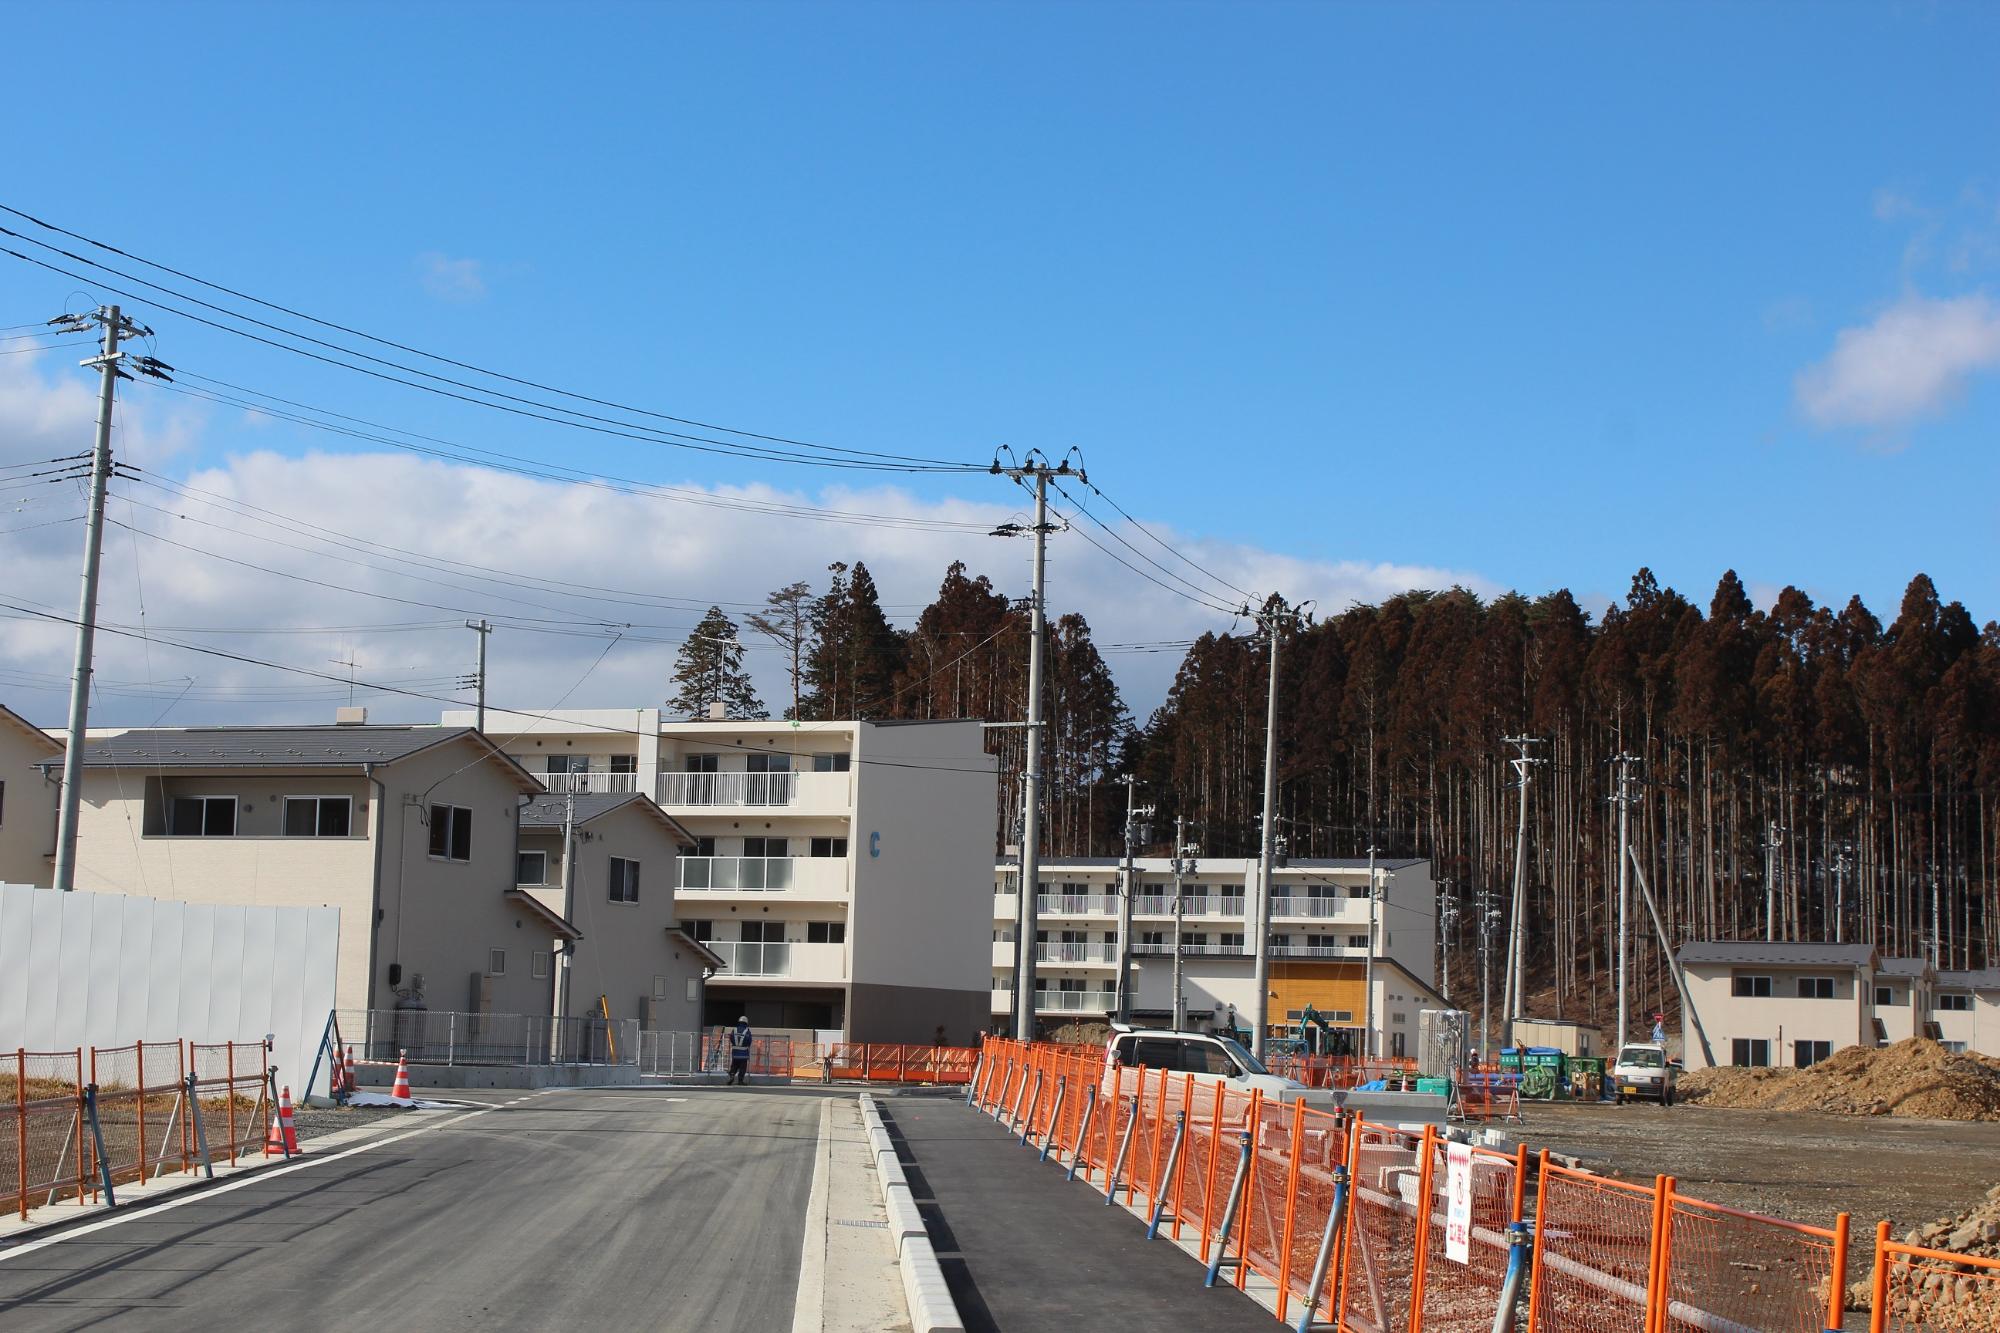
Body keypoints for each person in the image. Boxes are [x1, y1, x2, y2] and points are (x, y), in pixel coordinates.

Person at [727, 1016, 753, 1085]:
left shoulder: (734, 1030)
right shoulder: (747, 1031)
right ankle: (740, 1081)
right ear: (746, 1022)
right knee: (742, 1068)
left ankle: (732, 1075)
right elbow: (749, 1041)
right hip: (744, 1053)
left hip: (735, 1052)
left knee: (734, 1065)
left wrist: (735, 1045)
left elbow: (731, 1038)